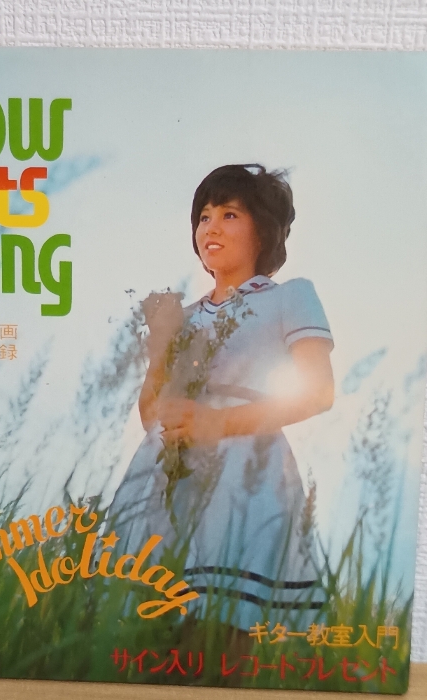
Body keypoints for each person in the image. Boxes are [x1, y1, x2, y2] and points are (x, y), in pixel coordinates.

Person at [109, 164, 335, 637]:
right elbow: (152, 416)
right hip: (169, 478)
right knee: (148, 631)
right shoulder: (185, 315)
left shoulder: (289, 297)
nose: (210, 227)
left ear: (263, 231)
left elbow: (318, 393)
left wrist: (216, 424)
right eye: (204, 216)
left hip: (246, 472)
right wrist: (161, 344)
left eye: (230, 214)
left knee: (221, 629)